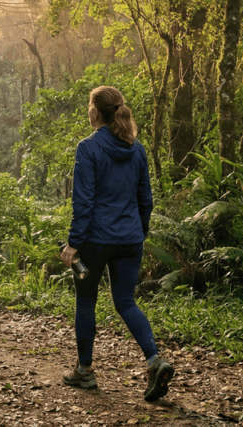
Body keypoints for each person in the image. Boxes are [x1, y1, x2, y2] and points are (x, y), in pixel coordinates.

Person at [58, 85, 174, 402]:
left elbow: (83, 202)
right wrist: (139, 231)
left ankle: (84, 371)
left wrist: (73, 244)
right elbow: (145, 200)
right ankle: (154, 360)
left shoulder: (88, 148)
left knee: (86, 301)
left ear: (95, 112)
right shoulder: (137, 149)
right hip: (130, 241)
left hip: (94, 242)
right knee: (125, 302)